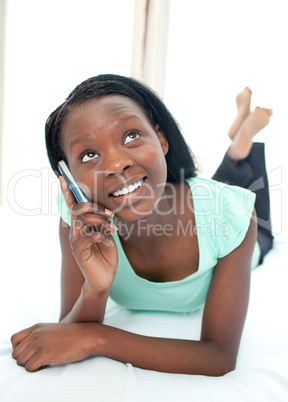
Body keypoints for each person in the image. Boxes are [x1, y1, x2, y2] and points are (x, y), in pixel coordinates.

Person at [10, 75, 273, 375]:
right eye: (89, 154)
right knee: (214, 189)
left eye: (131, 136)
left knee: (237, 199)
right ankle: (239, 141)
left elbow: (219, 357)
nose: (117, 164)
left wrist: (97, 338)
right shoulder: (78, 222)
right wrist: (95, 289)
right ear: (70, 179)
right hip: (193, 196)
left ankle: (241, 146)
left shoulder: (235, 215)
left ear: (161, 140)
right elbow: (68, 332)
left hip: (239, 226)